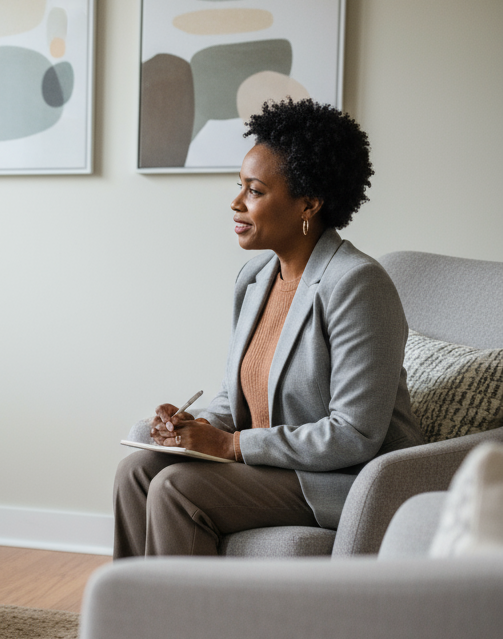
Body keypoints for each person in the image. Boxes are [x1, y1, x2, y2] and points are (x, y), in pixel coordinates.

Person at [114, 98, 424, 558]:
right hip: (271, 466)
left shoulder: (358, 284)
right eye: (239, 186)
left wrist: (231, 445)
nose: (236, 202)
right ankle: (134, 623)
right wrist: (194, 425)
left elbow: (354, 434)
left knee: (177, 487)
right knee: (135, 470)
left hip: (343, 481)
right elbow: (236, 396)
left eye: (255, 191)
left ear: (309, 204)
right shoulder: (255, 279)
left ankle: (188, 628)